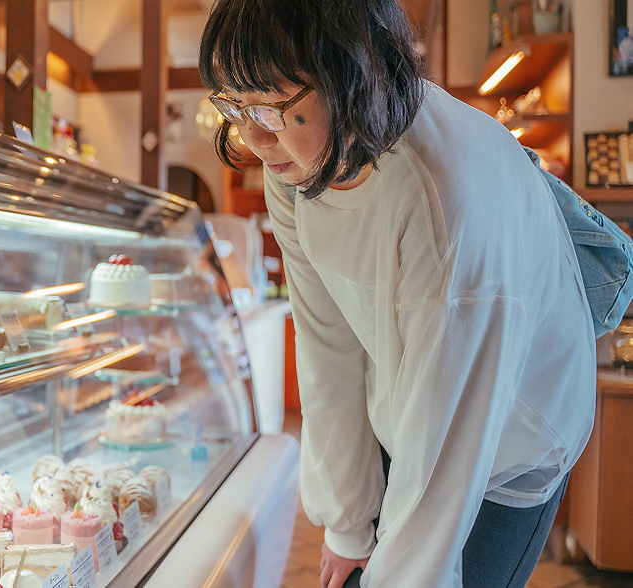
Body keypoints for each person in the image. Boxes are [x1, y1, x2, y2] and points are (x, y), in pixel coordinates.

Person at [198, 1, 596, 587]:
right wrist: (347, 523)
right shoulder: (293, 162)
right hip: (411, 386)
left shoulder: (447, 202)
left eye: (267, 107)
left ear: (349, 73)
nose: (254, 139)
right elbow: (325, 336)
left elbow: (444, 455)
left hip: (515, 423)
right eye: (235, 105)